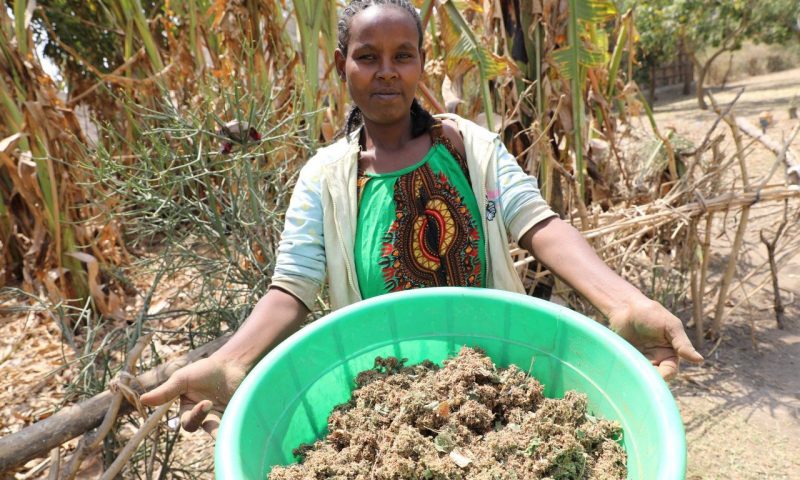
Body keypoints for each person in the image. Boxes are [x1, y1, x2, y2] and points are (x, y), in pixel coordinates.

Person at [141, 0, 703, 436]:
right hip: (386, 406)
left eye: (402, 55)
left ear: (420, 64)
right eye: (367, 57)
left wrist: (623, 303)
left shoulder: (471, 148)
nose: (386, 72)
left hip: (497, 384)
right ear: (343, 66)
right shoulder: (324, 180)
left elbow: (540, 224)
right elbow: (292, 286)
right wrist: (230, 361)